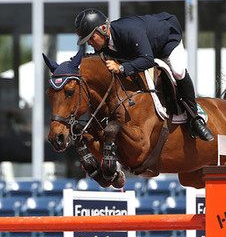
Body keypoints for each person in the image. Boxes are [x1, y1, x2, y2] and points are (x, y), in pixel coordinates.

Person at [74, 8, 214, 141]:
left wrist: (121, 67)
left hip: (165, 42)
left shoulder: (128, 31)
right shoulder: (104, 45)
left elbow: (147, 60)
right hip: (144, 49)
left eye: (91, 38)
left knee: (178, 71)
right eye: (88, 41)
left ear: (103, 29)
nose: (90, 43)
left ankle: (195, 118)